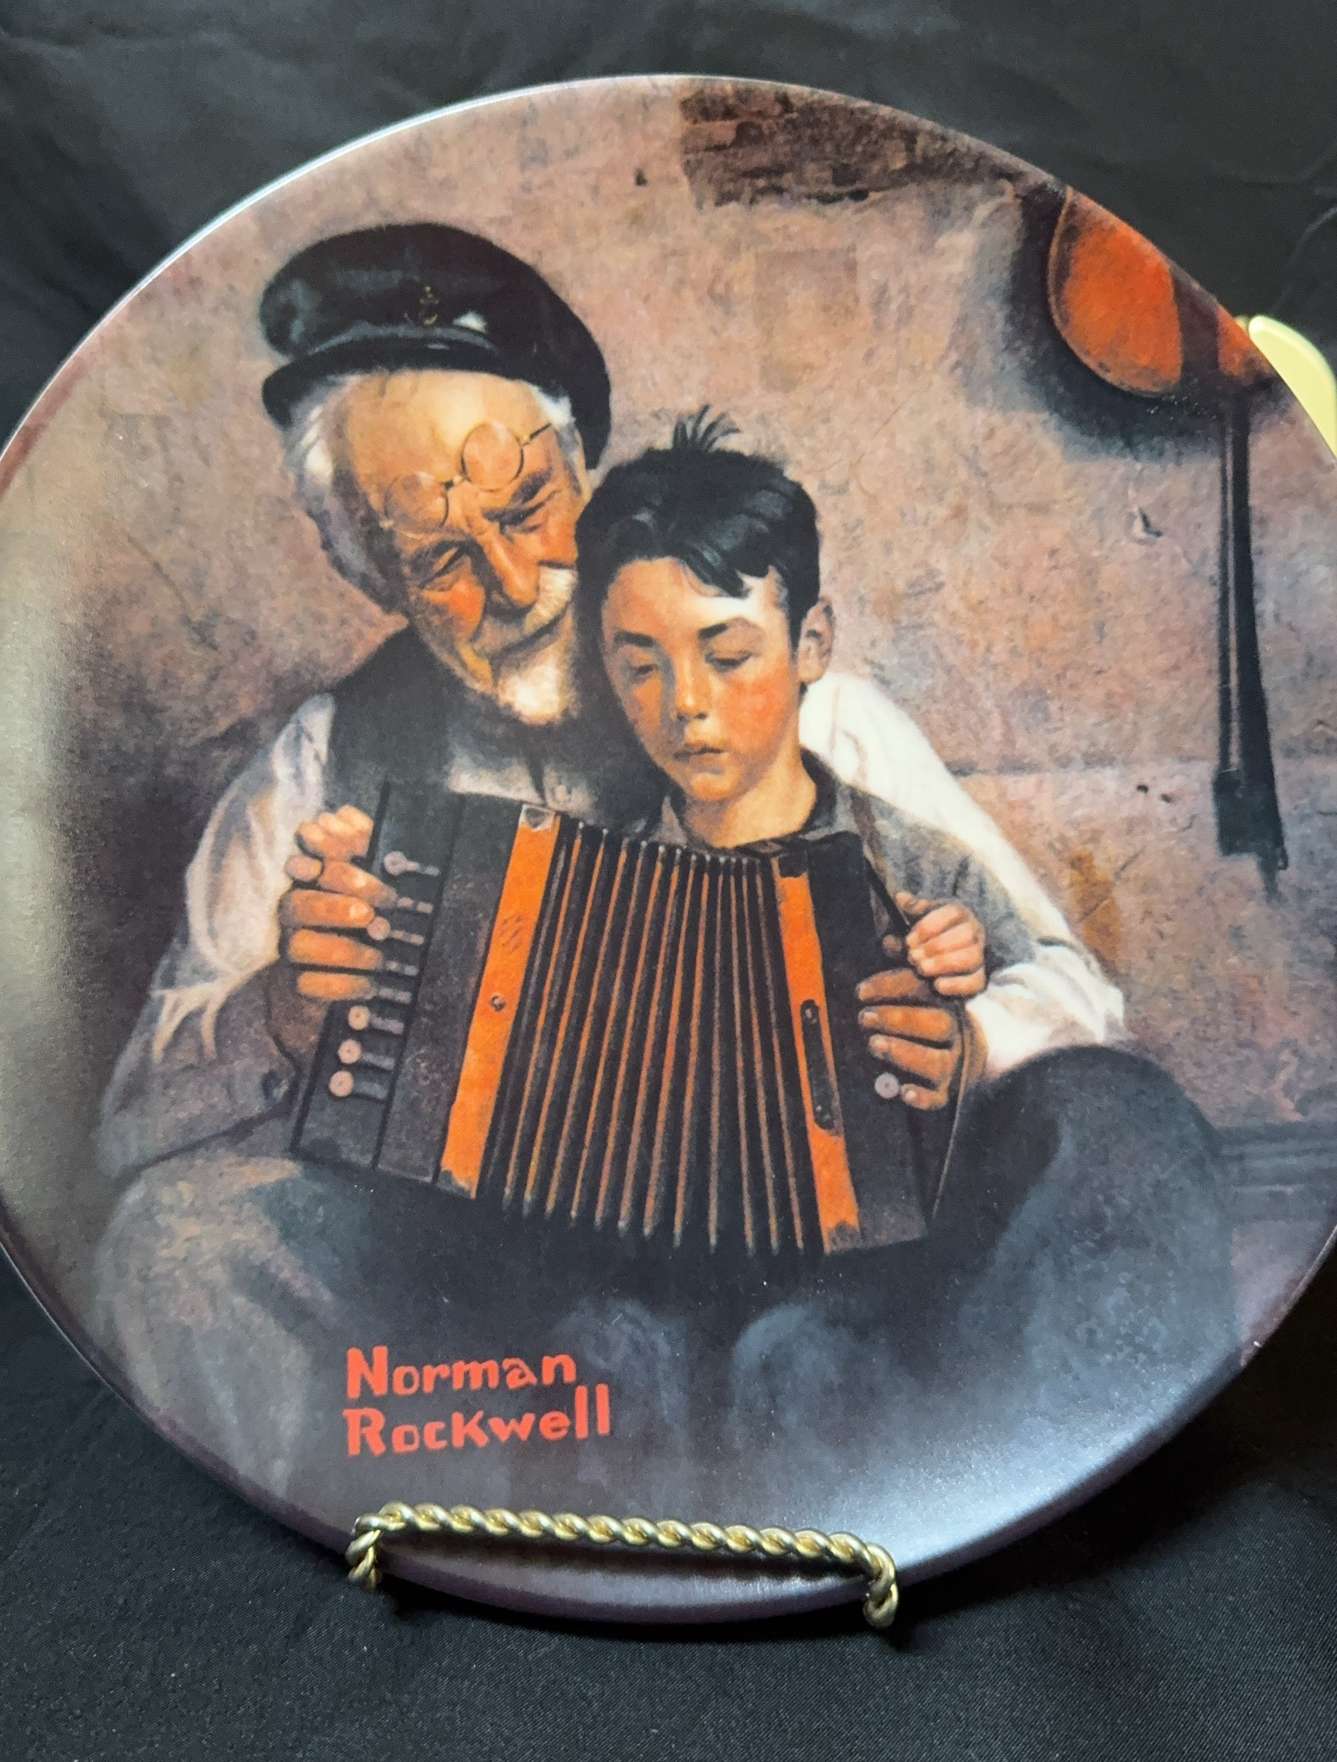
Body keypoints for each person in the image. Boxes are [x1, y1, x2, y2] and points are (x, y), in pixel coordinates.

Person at [89, 224, 1144, 1530]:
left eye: (527, 507)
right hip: (480, 1289)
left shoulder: (801, 708)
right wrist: (280, 1014)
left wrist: (965, 1037)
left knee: (1095, 1131)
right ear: (367, 569)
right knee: (174, 1244)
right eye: (436, 555)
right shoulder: (322, 764)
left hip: (804, 1265)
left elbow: (1077, 1000)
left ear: (581, 468)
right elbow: (128, 1123)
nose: (514, 583)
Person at [571, 420, 1239, 1507]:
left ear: (811, 643)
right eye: (637, 666)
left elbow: (1069, 1001)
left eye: (727, 656)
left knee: (817, 1360)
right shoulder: (588, 885)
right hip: (672, 1272)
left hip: (883, 1267)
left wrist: (967, 1037)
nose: (683, 703)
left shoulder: (911, 859)